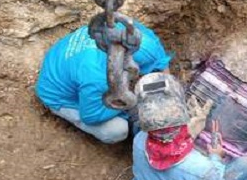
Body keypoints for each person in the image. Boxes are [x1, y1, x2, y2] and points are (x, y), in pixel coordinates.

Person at [35, 22, 171, 144]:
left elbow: (158, 55)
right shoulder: (98, 77)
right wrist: (134, 107)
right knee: (117, 129)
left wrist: (168, 84)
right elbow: (90, 116)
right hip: (56, 92)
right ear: (127, 66)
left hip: (64, 61)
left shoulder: (126, 30)